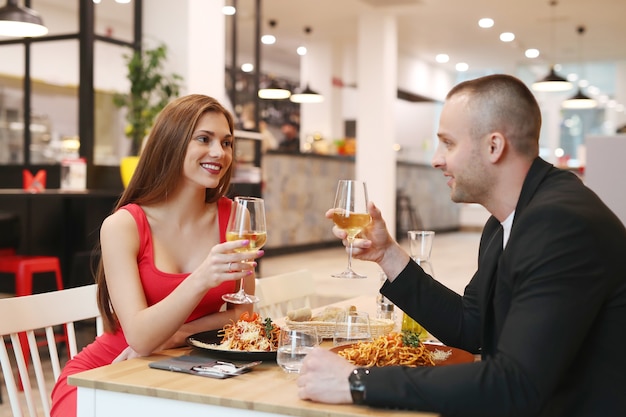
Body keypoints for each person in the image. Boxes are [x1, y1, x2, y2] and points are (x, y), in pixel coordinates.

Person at [297, 74, 626, 416]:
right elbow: (471, 328)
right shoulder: (506, 222)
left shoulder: (560, 224)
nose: (437, 159)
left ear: (494, 146)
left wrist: (358, 381)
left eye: (448, 143)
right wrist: (388, 255)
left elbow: (515, 384)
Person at [50, 94, 263, 417]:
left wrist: (176, 335)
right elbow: (140, 336)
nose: (219, 153)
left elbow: (244, 315)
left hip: (176, 366)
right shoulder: (123, 226)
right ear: (172, 143)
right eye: (204, 139)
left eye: (227, 142)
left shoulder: (234, 217)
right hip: (105, 375)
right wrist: (203, 278)